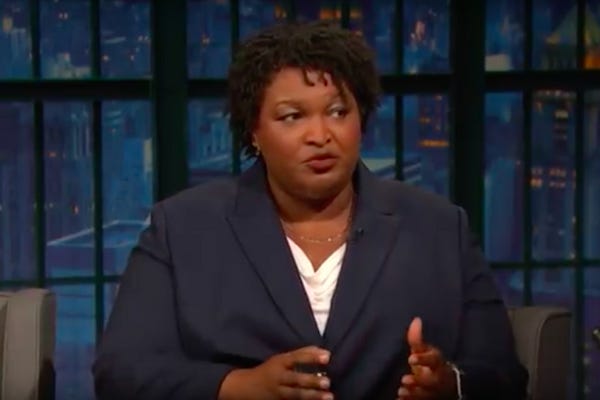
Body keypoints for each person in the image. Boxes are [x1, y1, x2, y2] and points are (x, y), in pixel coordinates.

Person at [92, 20, 528, 400]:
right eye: (292, 117)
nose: (320, 135)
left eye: (338, 112)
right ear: (254, 131)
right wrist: (239, 386)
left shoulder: (438, 227)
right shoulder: (183, 228)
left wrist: (449, 385)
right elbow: (120, 372)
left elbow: (505, 377)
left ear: (361, 119)